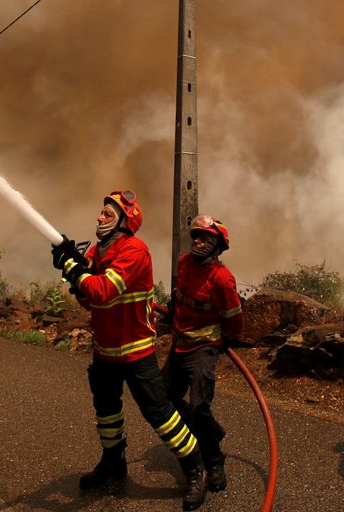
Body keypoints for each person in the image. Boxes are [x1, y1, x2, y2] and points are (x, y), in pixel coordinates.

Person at [51, 190, 207, 511]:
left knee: (160, 414)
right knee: (106, 411)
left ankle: (195, 468)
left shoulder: (135, 250)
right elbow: (88, 298)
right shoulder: (97, 250)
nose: (99, 217)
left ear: (125, 221)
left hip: (135, 352)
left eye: (107, 214)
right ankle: (113, 462)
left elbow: (105, 290)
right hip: (105, 351)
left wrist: (72, 266)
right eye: (101, 212)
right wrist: (75, 269)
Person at [160, 215, 244, 494]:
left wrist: (223, 342)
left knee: (198, 407)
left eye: (205, 239)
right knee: (163, 398)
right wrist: (171, 311)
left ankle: (214, 459)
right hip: (179, 345)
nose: (197, 242)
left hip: (203, 350)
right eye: (195, 236)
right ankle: (209, 431)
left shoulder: (221, 279)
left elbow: (233, 319)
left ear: (217, 246)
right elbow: (179, 295)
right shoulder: (184, 263)